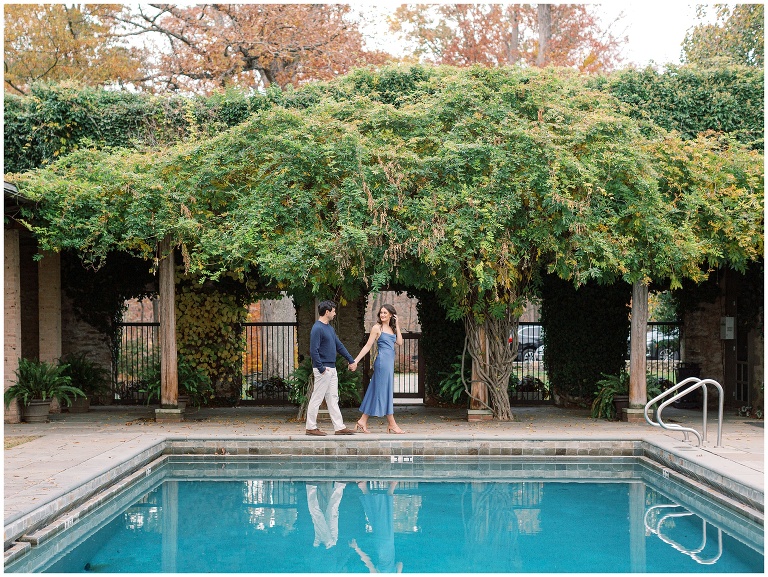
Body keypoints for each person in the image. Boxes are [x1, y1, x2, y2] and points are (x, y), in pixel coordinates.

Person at [306, 300, 358, 436]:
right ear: (327, 312)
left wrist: (351, 360)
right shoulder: (317, 328)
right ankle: (311, 427)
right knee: (317, 398)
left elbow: (339, 345)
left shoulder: (329, 328)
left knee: (333, 398)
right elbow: (313, 351)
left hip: (332, 368)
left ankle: (339, 427)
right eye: (334, 311)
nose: (335, 313)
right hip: (323, 369)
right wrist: (321, 368)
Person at [353, 304, 404, 434]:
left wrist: (397, 324)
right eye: (381, 313)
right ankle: (392, 424)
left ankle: (362, 421)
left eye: (385, 313)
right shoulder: (377, 328)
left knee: (376, 390)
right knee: (383, 392)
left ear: (391, 315)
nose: (382, 315)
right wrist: (356, 361)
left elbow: (399, 342)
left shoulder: (392, 328)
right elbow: (367, 346)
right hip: (381, 363)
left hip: (389, 364)